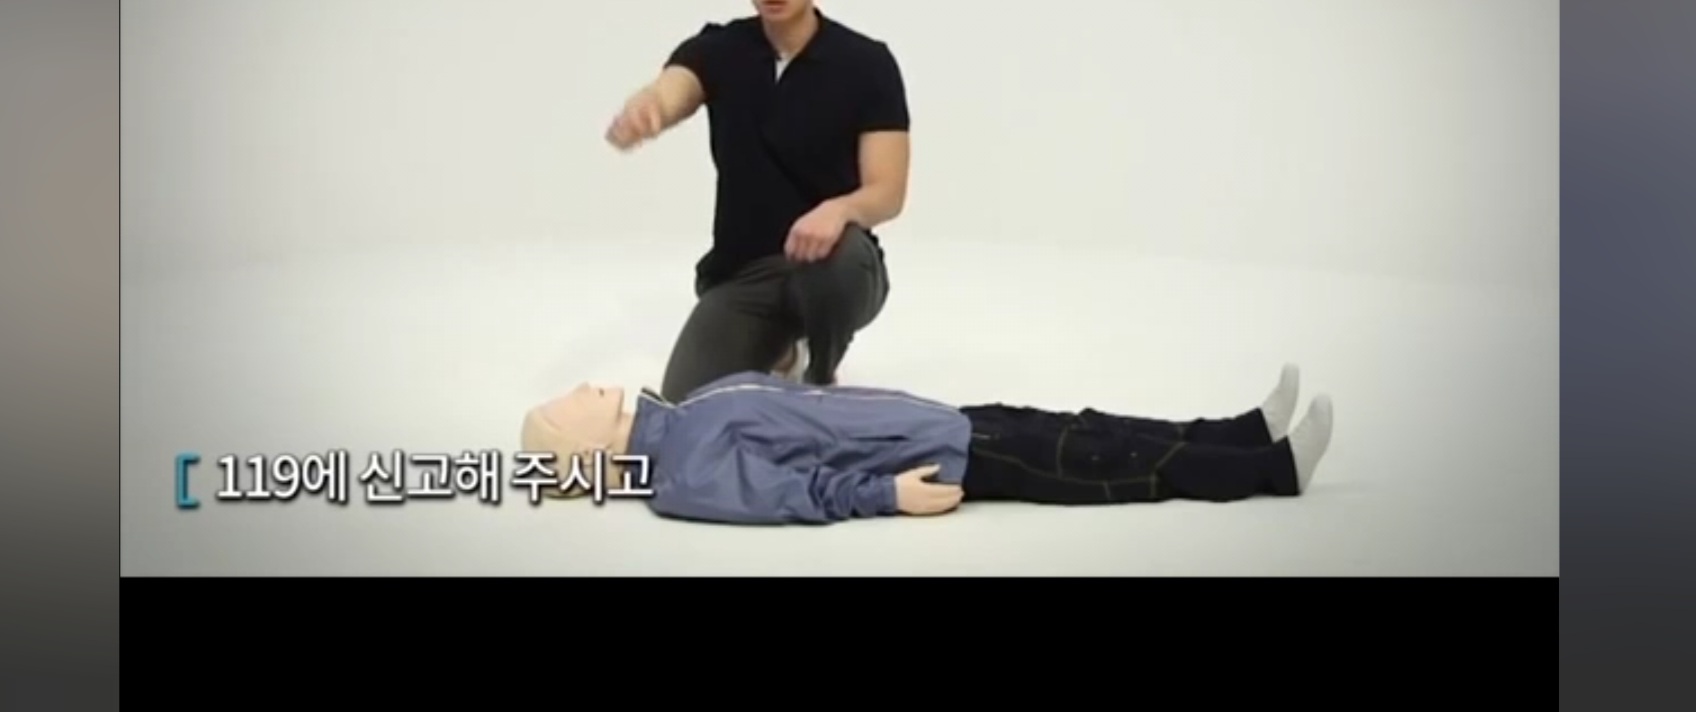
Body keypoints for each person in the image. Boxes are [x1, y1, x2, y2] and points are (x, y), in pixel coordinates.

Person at [604, 0, 911, 402]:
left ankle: (820, 374)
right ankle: (779, 350)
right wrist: (650, 106)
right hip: (743, 272)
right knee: (688, 404)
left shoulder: (867, 63)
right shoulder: (720, 49)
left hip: (835, 264)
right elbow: (677, 86)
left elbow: (888, 192)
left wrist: (838, 210)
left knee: (835, 262)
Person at [517, 363, 1334, 524]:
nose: (584, 387)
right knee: (1100, 464)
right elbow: (791, 493)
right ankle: (1274, 469)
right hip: (944, 456)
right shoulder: (685, 473)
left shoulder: (688, 412)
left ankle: (1243, 431)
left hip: (940, 417)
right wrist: (888, 494)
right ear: (585, 455)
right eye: (568, 405)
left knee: (1088, 426)